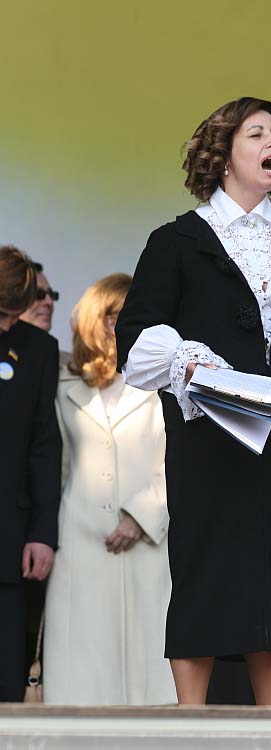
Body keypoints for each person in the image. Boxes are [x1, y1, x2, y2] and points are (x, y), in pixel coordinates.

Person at [115, 96, 271, 705]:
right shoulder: (177, 240)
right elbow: (137, 336)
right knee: (203, 575)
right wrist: (188, 362)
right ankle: (190, 727)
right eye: (256, 133)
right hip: (208, 438)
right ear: (224, 155)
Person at [44, 273, 176, 705]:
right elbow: (54, 466)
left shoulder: (166, 383)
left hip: (150, 545)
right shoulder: (61, 386)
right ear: (93, 319)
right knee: (83, 671)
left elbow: (179, 460)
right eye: (114, 314)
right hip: (80, 545)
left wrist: (143, 514)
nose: (123, 324)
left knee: (152, 674)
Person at [0, 245, 61, 701]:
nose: (7, 326)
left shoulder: (38, 349)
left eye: (12, 316)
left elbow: (44, 445)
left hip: (11, 538)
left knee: (8, 678)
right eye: (1, 315)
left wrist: (42, 533)